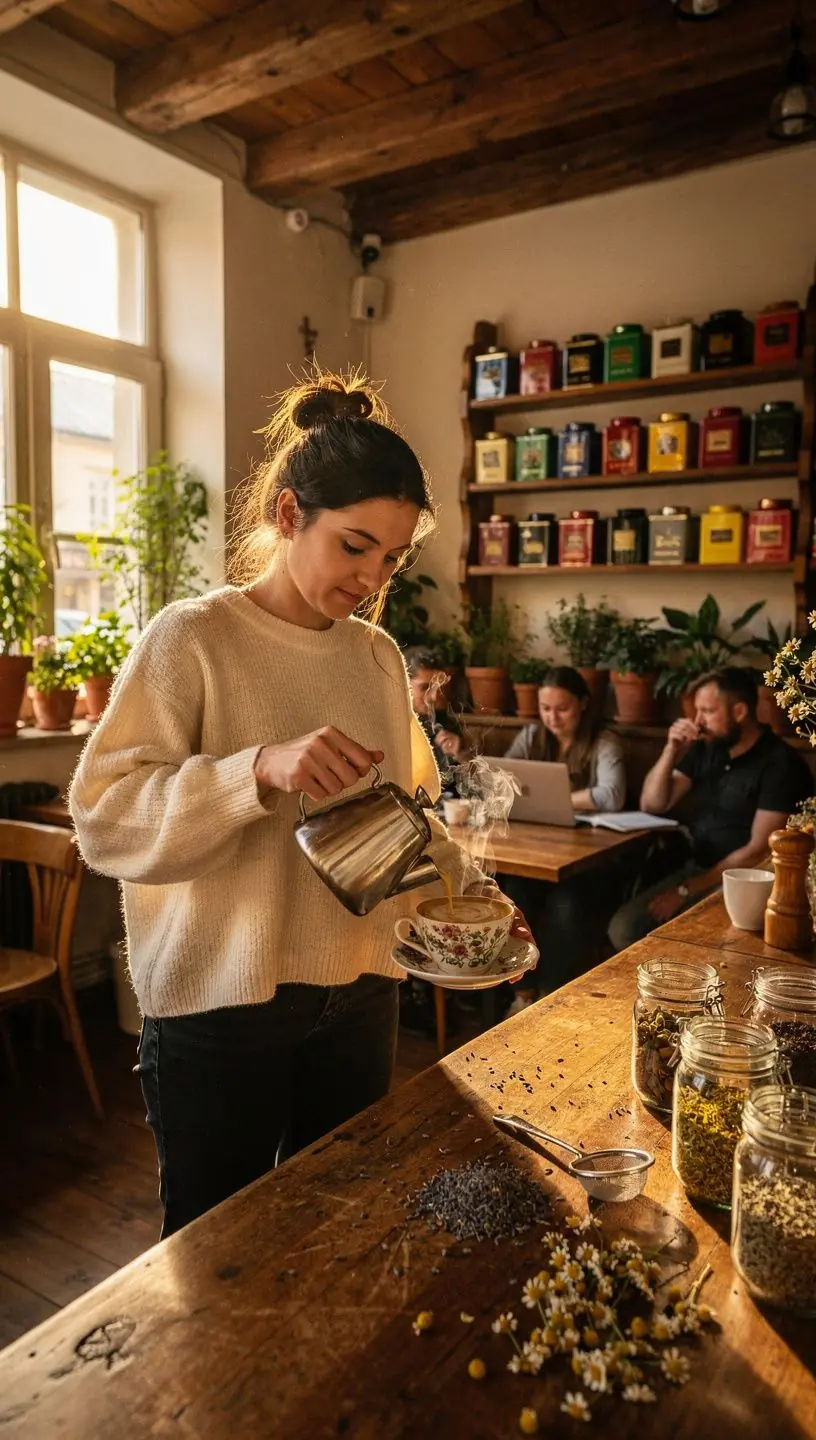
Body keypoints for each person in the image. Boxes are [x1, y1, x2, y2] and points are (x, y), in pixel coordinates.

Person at [69, 372, 522, 1238]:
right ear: (287, 516)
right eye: (354, 546)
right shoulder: (193, 638)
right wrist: (257, 770)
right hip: (218, 1008)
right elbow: (105, 815)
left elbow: (408, 817)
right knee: (214, 1250)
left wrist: (482, 908)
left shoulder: (378, 657)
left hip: (360, 992)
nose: (371, 577)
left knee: (337, 1231)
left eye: (391, 558)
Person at [608, 666, 812, 952]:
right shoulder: (708, 748)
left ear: (739, 712)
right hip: (697, 867)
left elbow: (758, 850)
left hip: (747, 880)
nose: (697, 721)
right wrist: (671, 749)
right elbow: (652, 803)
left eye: (707, 711)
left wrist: (685, 891)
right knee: (624, 928)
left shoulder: (780, 764)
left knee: (700, 943)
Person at [499, 666, 628, 1009]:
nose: (552, 718)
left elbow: (612, 794)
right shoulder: (532, 736)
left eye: (562, 708)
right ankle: (522, 995)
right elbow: (502, 778)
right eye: (545, 708)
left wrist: (557, 799)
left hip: (590, 862)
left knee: (566, 905)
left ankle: (548, 996)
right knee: (514, 894)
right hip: (539, 852)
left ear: (583, 704)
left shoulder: (603, 740)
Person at [405, 645, 472, 789]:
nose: (433, 697)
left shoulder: (445, 722)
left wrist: (459, 756)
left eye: (438, 688)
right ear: (403, 685)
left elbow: (467, 793)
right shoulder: (392, 724)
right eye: (424, 687)